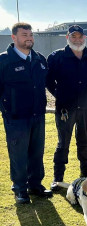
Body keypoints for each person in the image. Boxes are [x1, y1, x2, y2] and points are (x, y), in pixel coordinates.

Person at [0, 23, 53, 204]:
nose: (29, 37)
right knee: (19, 154)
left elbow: (46, 84)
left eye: (31, 34)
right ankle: (20, 189)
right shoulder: (4, 61)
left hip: (38, 115)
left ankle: (35, 185)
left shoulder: (39, 59)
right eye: (24, 34)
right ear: (14, 38)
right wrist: (6, 109)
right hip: (16, 118)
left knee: (36, 153)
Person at [46, 25, 87, 191]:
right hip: (66, 109)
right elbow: (49, 81)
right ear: (67, 38)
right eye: (73, 37)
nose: (77, 40)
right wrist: (61, 96)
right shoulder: (57, 57)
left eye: (80, 37)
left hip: (86, 109)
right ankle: (58, 177)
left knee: (84, 141)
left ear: (84, 38)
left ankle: (86, 171)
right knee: (63, 143)